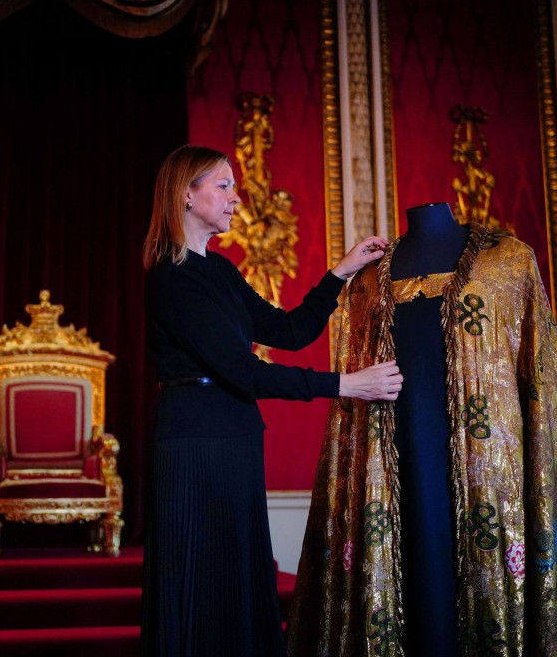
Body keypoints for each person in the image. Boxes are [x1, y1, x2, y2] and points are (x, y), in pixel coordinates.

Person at [287, 203, 557, 656]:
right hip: (393, 448)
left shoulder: (509, 260)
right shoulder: (368, 275)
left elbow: (537, 369)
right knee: (414, 559)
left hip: (487, 457)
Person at [139, 145, 403, 656]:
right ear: (186, 195)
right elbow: (243, 370)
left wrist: (341, 272)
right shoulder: (170, 279)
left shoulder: (221, 272)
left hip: (236, 434)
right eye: (224, 185)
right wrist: (345, 385)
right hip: (193, 443)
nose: (236, 199)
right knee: (198, 579)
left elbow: (290, 330)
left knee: (238, 575)